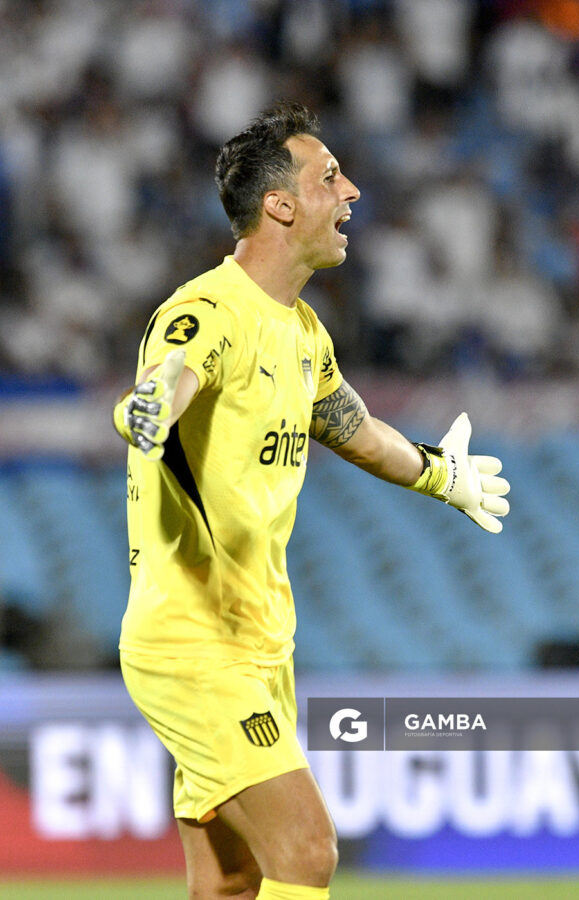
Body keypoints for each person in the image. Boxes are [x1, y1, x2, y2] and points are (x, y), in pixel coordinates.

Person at [113, 100, 510, 900]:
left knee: (228, 882)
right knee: (306, 851)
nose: (353, 190)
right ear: (281, 205)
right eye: (331, 177)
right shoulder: (208, 310)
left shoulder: (302, 333)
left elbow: (353, 428)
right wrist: (151, 404)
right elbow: (173, 373)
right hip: (194, 643)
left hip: (261, 648)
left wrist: (441, 473)